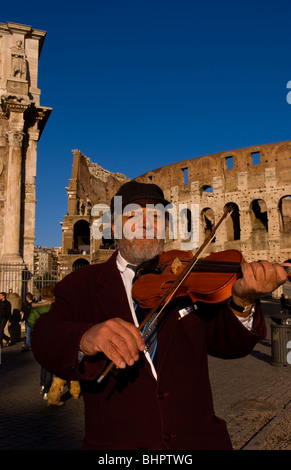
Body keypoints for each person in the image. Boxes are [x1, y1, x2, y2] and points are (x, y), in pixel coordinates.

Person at [31, 181, 289, 450]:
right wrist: (84, 337)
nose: (146, 225)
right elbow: (44, 336)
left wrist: (242, 301)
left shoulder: (188, 278)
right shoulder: (82, 284)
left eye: (155, 216)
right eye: (133, 216)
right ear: (115, 227)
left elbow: (228, 343)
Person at [28, 285, 55, 399]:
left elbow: (30, 322)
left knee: (43, 363)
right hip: (53, 337)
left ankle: (43, 385)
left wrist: (38, 327)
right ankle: (47, 390)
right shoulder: (55, 307)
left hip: (40, 337)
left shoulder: (36, 307)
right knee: (50, 364)